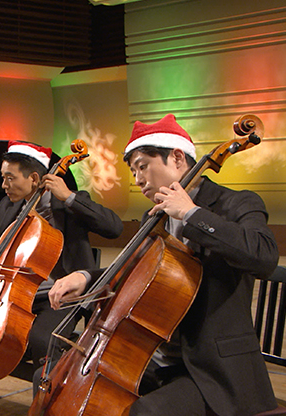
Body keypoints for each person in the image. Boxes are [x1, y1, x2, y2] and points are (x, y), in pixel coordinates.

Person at [47, 114, 280, 416]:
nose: (137, 179)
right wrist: (85, 277)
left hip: (212, 371)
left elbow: (264, 257)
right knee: (64, 385)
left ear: (177, 157)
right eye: (133, 171)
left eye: (142, 166)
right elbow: (134, 271)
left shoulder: (236, 203)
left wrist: (192, 214)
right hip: (152, 357)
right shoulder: (154, 217)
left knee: (145, 413)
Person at [0, 141, 123, 416]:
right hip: (7, 295)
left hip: (58, 298)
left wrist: (69, 197)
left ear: (34, 178)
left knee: (45, 340)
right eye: (2, 177)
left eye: (10, 178)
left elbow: (114, 227)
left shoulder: (68, 203)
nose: (4, 185)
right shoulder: (8, 205)